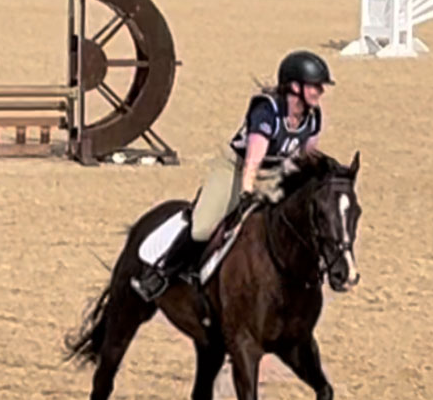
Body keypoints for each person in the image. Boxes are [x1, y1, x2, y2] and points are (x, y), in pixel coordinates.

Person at [130, 50, 334, 301]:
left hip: (274, 173)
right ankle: (162, 272)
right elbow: (252, 163)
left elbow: (304, 160)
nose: (320, 92)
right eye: (315, 87)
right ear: (294, 86)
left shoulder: (313, 118)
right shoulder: (267, 113)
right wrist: (246, 192)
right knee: (202, 228)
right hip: (236, 169)